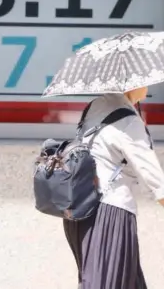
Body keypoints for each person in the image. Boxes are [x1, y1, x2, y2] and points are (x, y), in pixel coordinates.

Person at [64, 88, 164, 289]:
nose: (147, 85)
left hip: (81, 209)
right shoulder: (128, 121)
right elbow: (153, 176)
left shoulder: (95, 106)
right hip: (110, 213)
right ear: (131, 84)